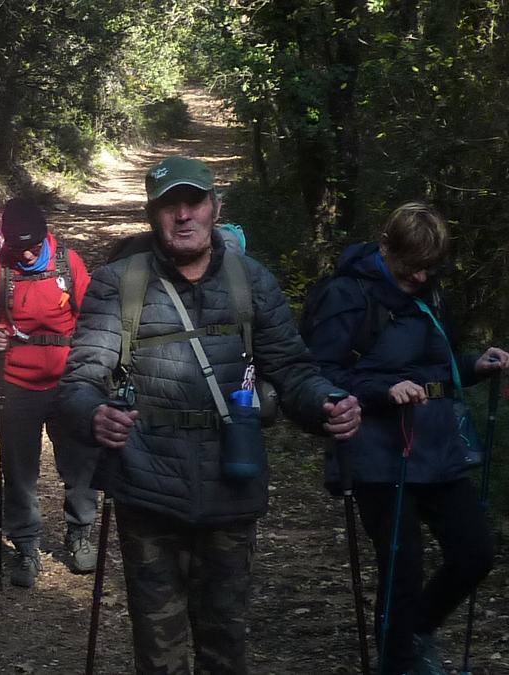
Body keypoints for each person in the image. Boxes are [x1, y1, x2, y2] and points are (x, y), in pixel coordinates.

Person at [57, 155, 362, 673]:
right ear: (152, 215)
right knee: (159, 651)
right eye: (169, 204)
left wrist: (327, 404)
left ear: (215, 207)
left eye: (193, 201)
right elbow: (80, 380)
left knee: (226, 644)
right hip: (147, 487)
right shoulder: (118, 284)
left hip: (232, 487)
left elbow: (292, 370)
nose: (183, 215)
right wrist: (94, 414)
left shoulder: (251, 282)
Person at [302, 201, 504, 675]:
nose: (421, 277)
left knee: (475, 552)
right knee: (402, 566)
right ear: (386, 245)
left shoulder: (430, 292)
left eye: (430, 267)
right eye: (413, 266)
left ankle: (416, 631)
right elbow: (317, 373)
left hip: (437, 446)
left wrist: (475, 365)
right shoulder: (345, 294)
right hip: (376, 451)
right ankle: (400, 663)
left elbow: (439, 363)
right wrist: (381, 391)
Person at [0, 198, 98, 588]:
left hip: (70, 383)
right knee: (19, 470)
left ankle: (80, 534)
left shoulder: (69, 265)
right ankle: (26, 546)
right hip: (14, 384)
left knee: (79, 464)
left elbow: (93, 316)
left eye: (33, 245)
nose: (25, 253)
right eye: (17, 246)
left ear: (45, 237)